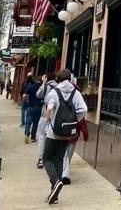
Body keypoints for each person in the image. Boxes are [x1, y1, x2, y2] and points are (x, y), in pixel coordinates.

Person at [42, 68, 87, 205]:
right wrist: (73, 122)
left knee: (47, 158)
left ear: (58, 79)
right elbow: (83, 109)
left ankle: (55, 181)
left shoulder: (54, 92)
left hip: (53, 132)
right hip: (67, 133)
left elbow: (50, 108)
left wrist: (48, 120)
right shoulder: (76, 92)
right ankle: (54, 194)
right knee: (59, 159)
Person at [35, 72, 58, 169]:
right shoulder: (58, 86)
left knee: (42, 136)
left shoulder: (46, 85)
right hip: (56, 115)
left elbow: (38, 95)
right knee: (53, 136)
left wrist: (43, 83)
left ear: (47, 78)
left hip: (45, 114)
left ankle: (41, 159)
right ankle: (52, 157)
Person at [62, 115, 88, 184]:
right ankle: (65, 175)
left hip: (62, 136)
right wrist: (85, 135)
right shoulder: (78, 109)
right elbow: (83, 123)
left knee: (66, 156)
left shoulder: (61, 107)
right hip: (73, 136)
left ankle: (64, 171)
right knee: (67, 156)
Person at [23, 75, 43, 144]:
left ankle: (27, 132)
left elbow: (24, 95)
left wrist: (25, 102)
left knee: (28, 122)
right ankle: (33, 137)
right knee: (35, 123)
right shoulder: (42, 88)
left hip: (30, 106)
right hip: (39, 107)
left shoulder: (30, 86)